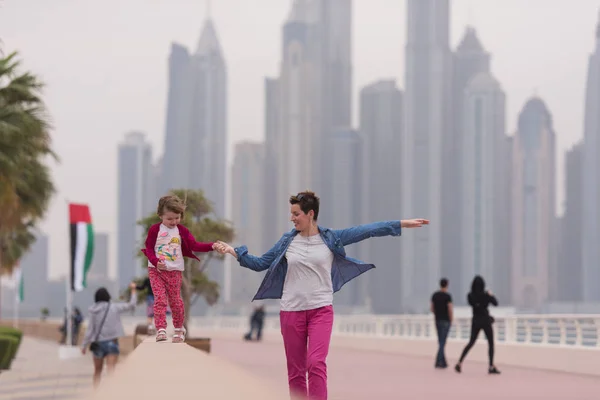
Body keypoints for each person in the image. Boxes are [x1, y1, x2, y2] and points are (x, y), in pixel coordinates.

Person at [214, 191, 429, 400]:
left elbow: (366, 230)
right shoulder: (287, 241)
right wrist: (233, 251)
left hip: (321, 310)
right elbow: (260, 263)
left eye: (296, 214)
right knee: (296, 371)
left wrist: (400, 224)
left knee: (316, 363)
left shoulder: (331, 238)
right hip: (291, 312)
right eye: (291, 214)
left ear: (310, 214)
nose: (292, 218)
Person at [141, 194, 218, 343]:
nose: (173, 221)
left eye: (177, 218)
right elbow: (149, 249)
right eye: (169, 218)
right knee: (160, 299)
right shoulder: (154, 230)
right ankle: (161, 329)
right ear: (160, 215)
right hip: (156, 271)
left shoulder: (181, 231)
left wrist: (212, 246)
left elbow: (195, 245)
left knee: (176, 301)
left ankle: (178, 329)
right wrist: (156, 262)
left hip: (175, 271)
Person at [81, 284, 138, 387]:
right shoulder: (114, 307)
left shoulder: (93, 311)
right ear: (108, 296)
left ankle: (95, 394)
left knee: (97, 371)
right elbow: (132, 305)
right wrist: (133, 291)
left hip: (97, 344)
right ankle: (110, 395)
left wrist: (84, 345)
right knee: (111, 371)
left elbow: (90, 330)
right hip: (112, 342)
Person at [454, 275, 501, 374]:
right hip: (486, 321)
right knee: (491, 343)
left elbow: (474, 304)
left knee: (471, 342)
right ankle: (491, 366)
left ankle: (459, 362)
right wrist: (490, 295)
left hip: (476, 321)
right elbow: (496, 303)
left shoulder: (470, 295)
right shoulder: (486, 295)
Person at [430, 278, 453, 369]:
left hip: (437, 320)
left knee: (440, 341)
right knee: (443, 342)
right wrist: (451, 319)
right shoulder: (448, 296)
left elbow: (432, 308)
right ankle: (438, 361)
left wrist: (437, 314)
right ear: (447, 285)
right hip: (446, 320)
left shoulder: (435, 295)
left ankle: (443, 362)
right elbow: (450, 309)